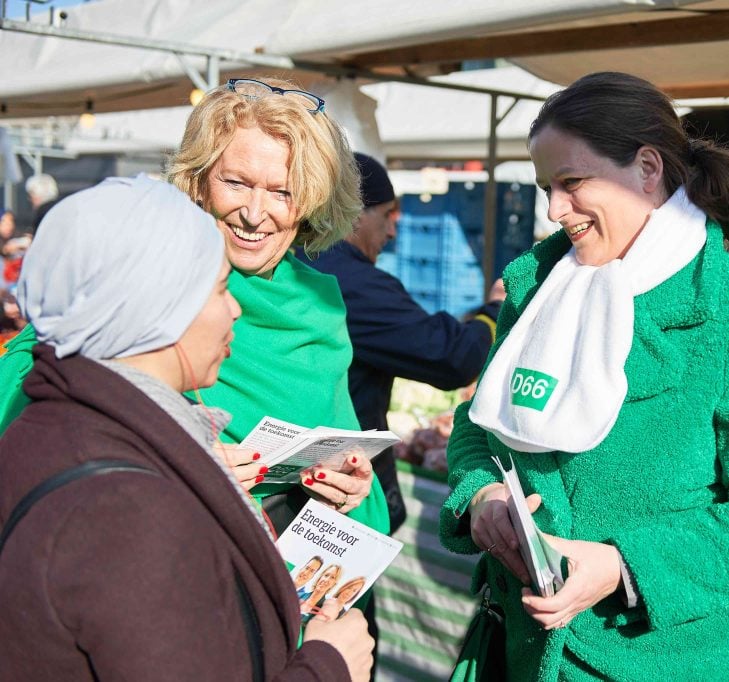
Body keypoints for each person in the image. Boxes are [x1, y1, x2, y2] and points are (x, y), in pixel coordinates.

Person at [439, 71, 729, 681]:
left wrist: (623, 566)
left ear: (648, 169)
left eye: (572, 183)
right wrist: (482, 497)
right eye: (547, 187)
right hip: (527, 652)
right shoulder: (536, 289)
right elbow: (477, 425)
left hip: (683, 660)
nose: (553, 209)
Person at [0, 175, 373, 681]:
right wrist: (327, 664)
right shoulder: (132, 508)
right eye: (220, 289)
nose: (235, 309)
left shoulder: (49, 422)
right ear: (161, 306)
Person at [0, 76, 389, 548]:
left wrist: (352, 488)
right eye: (236, 182)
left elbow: (349, 462)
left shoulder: (317, 306)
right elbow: (35, 426)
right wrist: (177, 467)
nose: (254, 212)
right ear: (200, 181)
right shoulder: (137, 279)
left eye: (282, 192)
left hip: (299, 592)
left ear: (312, 203)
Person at [297, 152, 503, 534]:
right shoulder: (351, 284)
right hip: (338, 496)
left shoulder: (299, 263)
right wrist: (494, 311)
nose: (392, 232)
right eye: (388, 214)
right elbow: (452, 356)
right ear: (355, 212)